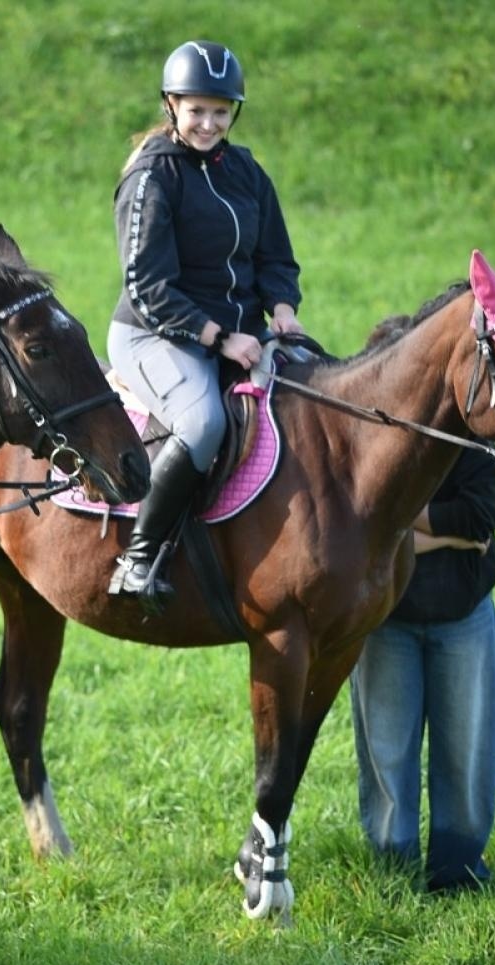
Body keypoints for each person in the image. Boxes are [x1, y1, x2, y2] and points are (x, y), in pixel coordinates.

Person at [106, 40, 304, 603]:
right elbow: (147, 287)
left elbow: (276, 257)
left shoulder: (245, 170)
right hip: (156, 334)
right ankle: (138, 560)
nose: (210, 123)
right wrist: (218, 338)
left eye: (221, 111)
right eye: (197, 110)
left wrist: (283, 308)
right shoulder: (151, 177)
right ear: (171, 105)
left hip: (243, 333)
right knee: (203, 425)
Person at [349, 448, 495, 892]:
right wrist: (449, 533)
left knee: (468, 751)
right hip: (387, 620)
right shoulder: (379, 430)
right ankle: (394, 875)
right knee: (387, 750)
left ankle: (457, 874)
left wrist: (401, 520)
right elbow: (363, 519)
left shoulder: (478, 438)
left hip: (465, 612)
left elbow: (483, 515)